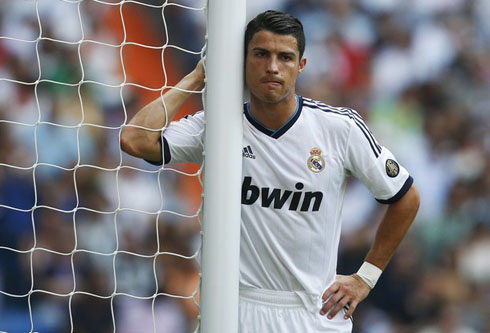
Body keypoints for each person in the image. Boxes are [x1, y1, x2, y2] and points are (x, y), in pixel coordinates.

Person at [120, 10, 420, 333]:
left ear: (301, 65)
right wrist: (197, 77)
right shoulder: (218, 126)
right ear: (243, 60)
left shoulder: (339, 129)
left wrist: (366, 277)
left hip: (313, 310)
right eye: (261, 54)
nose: (273, 67)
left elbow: (406, 198)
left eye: (285, 57)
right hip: (236, 308)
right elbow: (134, 140)